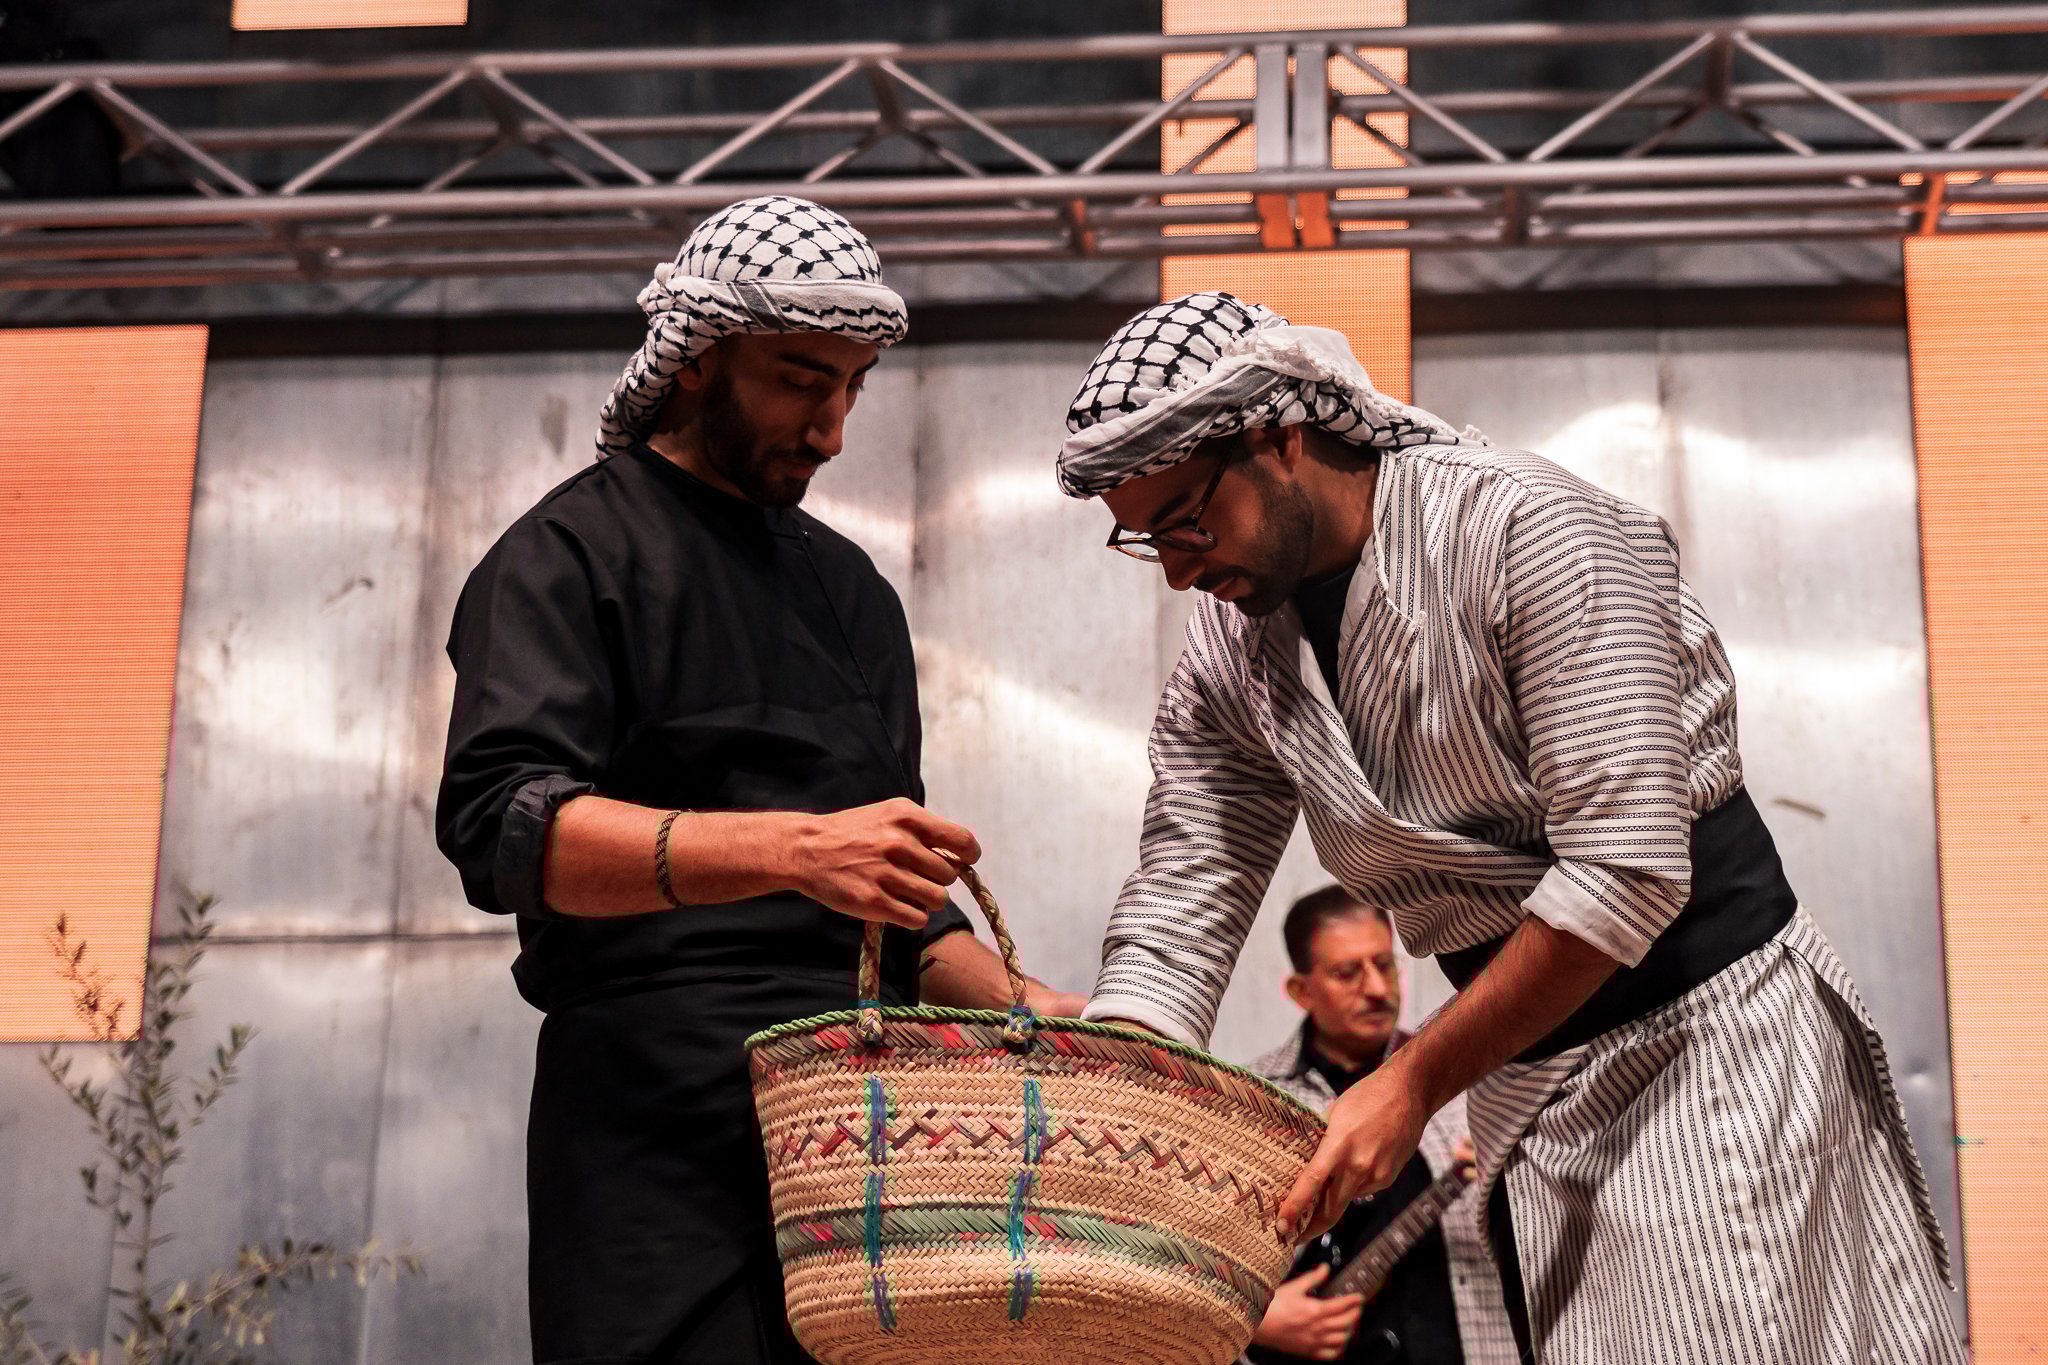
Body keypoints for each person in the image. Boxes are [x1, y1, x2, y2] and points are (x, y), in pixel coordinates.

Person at [1058, 292, 1962, 1363]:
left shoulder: (1530, 529)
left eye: (1183, 521)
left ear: (1276, 434)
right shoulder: (1228, 649)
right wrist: (1108, 1119)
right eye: (1140, 540)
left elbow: (1624, 874)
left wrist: (1411, 1079)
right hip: (1528, 1077)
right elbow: (1181, 899)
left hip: (1708, 1042)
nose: (1174, 568)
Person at [436, 195, 1083, 1365]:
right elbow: (503, 831)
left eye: (852, 389)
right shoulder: (567, 554)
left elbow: (909, 913)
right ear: (694, 359)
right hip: (651, 1126)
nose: (830, 429)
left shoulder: (854, 595)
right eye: (799, 379)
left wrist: (1038, 1014)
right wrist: (791, 851)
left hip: (868, 1123)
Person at [1245, 886, 1515, 1365]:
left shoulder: (1466, 1076)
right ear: (1301, 991)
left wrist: (1506, 1169)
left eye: (1385, 965)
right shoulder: (1254, 1098)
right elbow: (1207, 1251)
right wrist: (1257, 1320)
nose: (1375, 989)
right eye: (1348, 973)